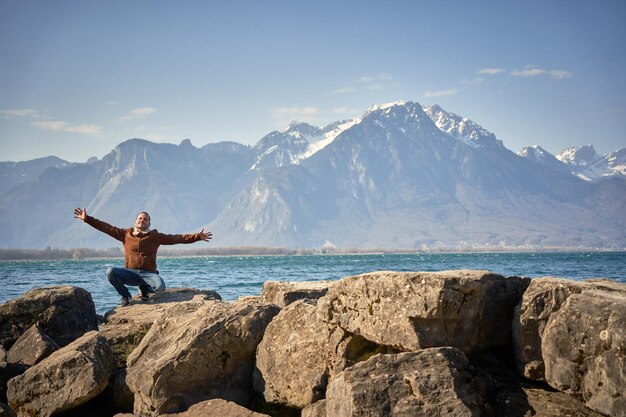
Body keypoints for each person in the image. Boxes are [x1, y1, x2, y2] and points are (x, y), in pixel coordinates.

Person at [74, 207, 212, 306]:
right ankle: (126, 296)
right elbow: (105, 227)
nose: (142, 220)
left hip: (148, 274)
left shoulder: (155, 236)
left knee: (160, 288)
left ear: (149, 223)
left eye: (145, 219)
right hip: (130, 273)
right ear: (135, 221)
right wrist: (87, 219)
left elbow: (177, 238)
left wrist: (197, 237)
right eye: (140, 218)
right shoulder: (125, 234)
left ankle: (144, 289)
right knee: (110, 271)